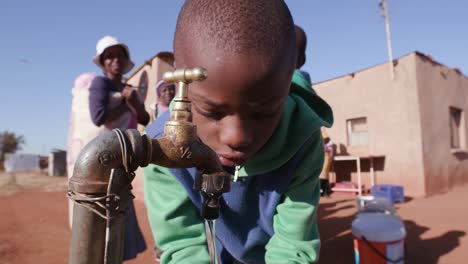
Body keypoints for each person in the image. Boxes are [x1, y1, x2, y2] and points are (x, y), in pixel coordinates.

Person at [143, 1, 333, 263]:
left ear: (288, 81)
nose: (237, 137)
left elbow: (293, 243)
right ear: (181, 79)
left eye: (263, 112)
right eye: (213, 112)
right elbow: (182, 244)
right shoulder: (164, 150)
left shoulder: (302, 138)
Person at [89, 35, 148, 260]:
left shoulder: (129, 89)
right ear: (103, 62)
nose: (115, 60)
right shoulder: (100, 84)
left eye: (120, 55)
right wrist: (125, 104)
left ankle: (115, 255)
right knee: (108, 210)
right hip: (105, 156)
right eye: (109, 56)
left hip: (124, 157)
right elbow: (98, 117)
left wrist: (133, 101)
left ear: (126, 60)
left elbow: (143, 117)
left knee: (120, 208)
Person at [320, 127, 334, 197]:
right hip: (321, 161)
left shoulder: (329, 144)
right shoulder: (320, 143)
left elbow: (330, 151)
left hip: (326, 161)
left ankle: (326, 192)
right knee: (320, 177)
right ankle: (322, 192)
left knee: (324, 176)